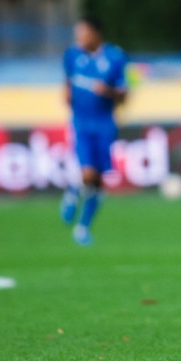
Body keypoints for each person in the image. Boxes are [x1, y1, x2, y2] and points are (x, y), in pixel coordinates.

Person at [61, 16, 129, 245]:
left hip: (105, 123)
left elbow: (124, 94)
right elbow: (67, 83)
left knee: (98, 182)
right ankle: (72, 192)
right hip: (81, 123)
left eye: (83, 33)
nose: (79, 38)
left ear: (95, 34)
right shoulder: (72, 55)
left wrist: (108, 91)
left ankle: (82, 228)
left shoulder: (115, 57)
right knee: (88, 173)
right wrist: (67, 95)